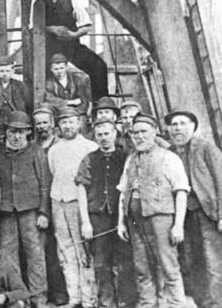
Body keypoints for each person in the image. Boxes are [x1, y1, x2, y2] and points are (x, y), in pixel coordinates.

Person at [117, 113, 189, 308]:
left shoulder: (168, 157)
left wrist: (178, 226)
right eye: (135, 133)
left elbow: (181, 191)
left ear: (154, 133)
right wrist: (121, 222)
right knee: (142, 267)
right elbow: (123, 192)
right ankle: (147, 304)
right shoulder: (131, 159)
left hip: (161, 220)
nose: (139, 137)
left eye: (143, 132)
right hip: (134, 221)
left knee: (168, 266)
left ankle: (175, 304)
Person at [165, 110, 222, 308]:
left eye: (183, 124)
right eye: (174, 125)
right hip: (183, 215)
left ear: (193, 127)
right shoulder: (169, 153)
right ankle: (202, 303)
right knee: (192, 261)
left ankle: (217, 304)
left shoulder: (206, 148)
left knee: (213, 262)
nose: (178, 129)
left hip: (207, 213)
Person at [0, 111, 51, 308]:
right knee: (8, 256)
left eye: (21, 132)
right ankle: (17, 299)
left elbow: (44, 184)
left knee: (35, 254)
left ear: (27, 133)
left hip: (30, 210)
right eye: (12, 131)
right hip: (6, 211)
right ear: (6, 132)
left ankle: (38, 298)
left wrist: (43, 211)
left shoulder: (36, 151)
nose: (17, 136)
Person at [75, 119, 136, 308]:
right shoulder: (89, 159)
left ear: (115, 134)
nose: (104, 138)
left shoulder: (126, 157)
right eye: (99, 135)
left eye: (107, 133)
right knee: (101, 264)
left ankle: (127, 302)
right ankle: (106, 303)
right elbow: (81, 190)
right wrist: (85, 222)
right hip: (97, 218)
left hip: (122, 218)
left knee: (125, 261)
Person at [32, 0, 108, 102]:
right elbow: (32, 28)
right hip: (48, 49)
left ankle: (101, 105)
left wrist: (74, 35)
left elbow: (86, 25)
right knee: (38, 75)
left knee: (99, 66)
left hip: (71, 46)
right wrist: (51, 29)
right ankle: (45, 109)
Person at [47, 107, 98, 308]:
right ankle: (74, 298)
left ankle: (88, 299)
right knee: (65, 251)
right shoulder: (54, 149)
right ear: (58, 125)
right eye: (63, 122)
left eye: (71, 121)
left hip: (79, 203)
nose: (67, 126)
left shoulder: (90, 147)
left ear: (79, 123)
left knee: (84, 251)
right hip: (58, 201)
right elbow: (53, 173)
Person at [32, 106, 68, 306]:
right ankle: (45, 292)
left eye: (45, 122)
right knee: (41, 250)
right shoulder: (31, 146)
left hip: (59, 202)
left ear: (52, 123)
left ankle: (61, 291)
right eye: (38, 123)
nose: (41, 126)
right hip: (39, 206)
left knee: (58, 249)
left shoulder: (60, 145)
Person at [0, 56, 30, 123]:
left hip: (16, 120)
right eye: (1, 71)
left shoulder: (21, 86)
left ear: (13, 71)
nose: (5, 74)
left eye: (8, 71)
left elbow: (28, 106)